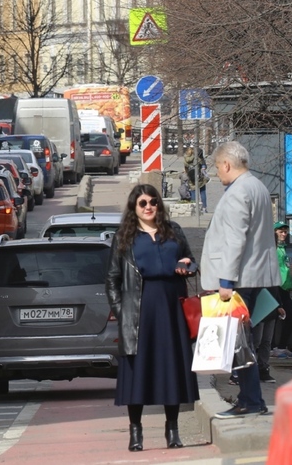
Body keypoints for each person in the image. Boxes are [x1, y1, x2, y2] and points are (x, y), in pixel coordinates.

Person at [106, 184, 199, 451]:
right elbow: (112, 279)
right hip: (139, 309)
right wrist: (122, 311)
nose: (149, 207)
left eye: (153, 202)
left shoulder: (174, 231)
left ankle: (173, 430)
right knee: (139, 372)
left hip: (172, 307)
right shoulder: (125, 237)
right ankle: (136, 432)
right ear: (134, 208)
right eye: (142, 203)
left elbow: (191, 261)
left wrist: (187, 267)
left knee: (172, 368)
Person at [200, 141, 277, 418]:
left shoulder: (237, 193)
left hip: (239, 279)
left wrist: (226, 281)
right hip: (254, 276)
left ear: (227, 164)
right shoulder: (257, 187)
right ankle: (250, 398)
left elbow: (234, 240)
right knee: (243, 342)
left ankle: (250, 400)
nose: (216, 173)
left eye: (217, 166)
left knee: (239, 343)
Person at [271, 222, 292, 359]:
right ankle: (272, 348)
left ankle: (281, 346)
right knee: (273, 317)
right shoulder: (274, 249)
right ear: (274, 232)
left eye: (285, 232)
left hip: (285, 287)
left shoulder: (283, 248)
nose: (284, 234)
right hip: (276, 286)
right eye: (280, 232)